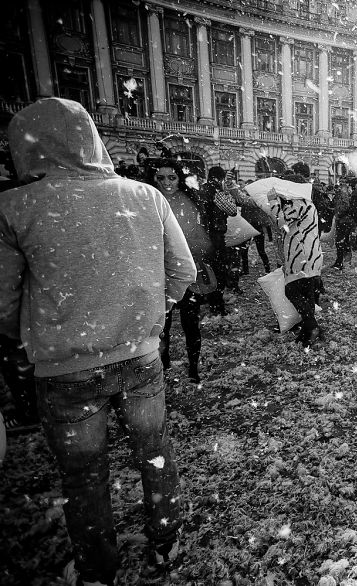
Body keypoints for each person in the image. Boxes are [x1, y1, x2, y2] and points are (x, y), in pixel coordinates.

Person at [0, 97, 196, 585]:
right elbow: (183, 271)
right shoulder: (145, 196)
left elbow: (2, 301)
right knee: (154, 447)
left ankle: (96, 568)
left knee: (84, 474)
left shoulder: (15, 206)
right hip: (139, 353)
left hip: (64, 365)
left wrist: (29, 339)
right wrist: (152, 313)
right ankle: (166, 538)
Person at [154, 162, 215, 383]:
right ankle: (164, 361)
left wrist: (185, 251)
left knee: (190, 322)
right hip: (158, 273)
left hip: (187, 272)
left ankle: (193, 367)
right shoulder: (149, 200)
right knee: (162, 324)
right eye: (161, 178)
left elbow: (199, 238)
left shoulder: (187, 201)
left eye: (171, 177)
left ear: (179, 179)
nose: (166, 183)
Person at [268, 170, 324, 347]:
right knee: (307, 293)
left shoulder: (296, 203)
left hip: (300, 254)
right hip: (311, 253)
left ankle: (312, 327)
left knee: (292, 290)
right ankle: (308, 331)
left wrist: (273, 202)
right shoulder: (308, 203)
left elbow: (281, 223)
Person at [201, 166, 237, 314]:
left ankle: (207, 298)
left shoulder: (200, 189)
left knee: (206, 270)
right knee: (219, 271)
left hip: (200, 236)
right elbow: (232, 210)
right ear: (220, 178)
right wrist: (227, 192)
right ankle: (217, 305)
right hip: (215, 236)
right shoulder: (217, 192)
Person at [331, 178, 356, 270]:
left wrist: (339, 215)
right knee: (344, 242)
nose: (340, 182)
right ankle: (342, 261)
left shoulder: (344, 192)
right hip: (346, 221)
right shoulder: (346, 191)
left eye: (342, 181)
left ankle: (340, 262)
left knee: (340, 242)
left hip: (344, 221)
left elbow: (345, 207)